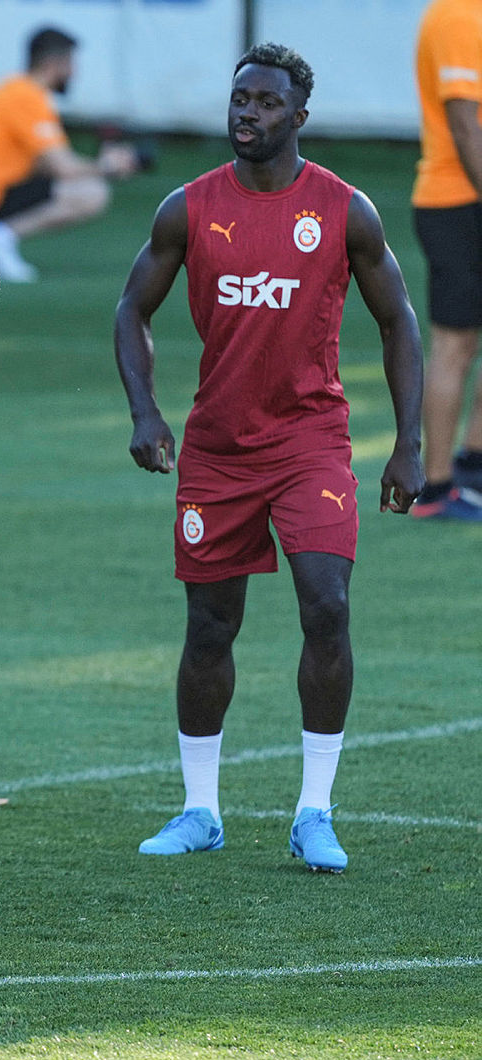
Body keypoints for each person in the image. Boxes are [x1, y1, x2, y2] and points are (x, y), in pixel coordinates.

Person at [113, 43, 423, 873]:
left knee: (327, 607)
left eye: (265, 102)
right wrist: (146, 410)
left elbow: (399, 320)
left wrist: (409, 444)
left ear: (299, 117)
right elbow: (132, 308)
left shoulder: (345, 210)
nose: (247, 113)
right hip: (216, 449)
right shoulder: (187, 208)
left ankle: (314, 813)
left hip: (310, 442)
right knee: (211, 626)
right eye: (239, 99)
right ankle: (199, 810)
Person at [0, 25, 138, 283]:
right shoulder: (27, 97)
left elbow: (44, 164)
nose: (74, 72)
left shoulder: (16, 91)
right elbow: (63, 167)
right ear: (54, 63)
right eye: (70, 63)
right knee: (91, 193)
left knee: (83, 186)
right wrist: (108, 166)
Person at [411, 0, 482, 520]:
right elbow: (465, 128)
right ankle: (435, 491)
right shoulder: (459, 14)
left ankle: (473, 468)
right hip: (454, 202)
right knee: (455, 343)